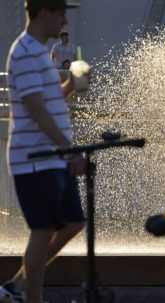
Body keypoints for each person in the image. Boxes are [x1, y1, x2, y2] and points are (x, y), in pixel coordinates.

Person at [0, 1, 88, 303]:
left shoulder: (40, 54)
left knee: (73, 222)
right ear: (43, 12)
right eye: (60, 12)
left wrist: (71, 86)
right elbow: (36, 110)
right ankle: (29, 297)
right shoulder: (23, 52)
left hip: (52, 156)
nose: (64, 19)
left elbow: (49, 101)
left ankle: (17, 286)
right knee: (43, 228)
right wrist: (69, 151)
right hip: (34, 159)